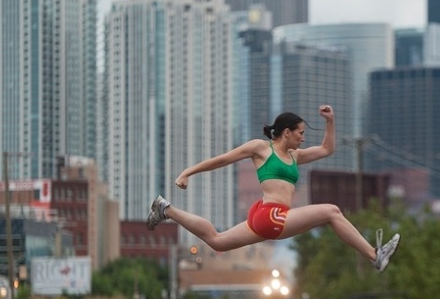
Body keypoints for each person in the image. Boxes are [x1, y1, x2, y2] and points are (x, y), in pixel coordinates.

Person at [146, 105, 400, 272]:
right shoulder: (261, 148)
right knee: (332, 211)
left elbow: (327, 149)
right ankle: (374, 256)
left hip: (266, 215)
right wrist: (188, 172)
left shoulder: (295, 156)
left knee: (217, 241)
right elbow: (223, 159)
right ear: (287, 132)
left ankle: (166, 209)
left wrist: (330, 121)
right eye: (300, 133)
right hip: (271, 215)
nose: (303, 138)